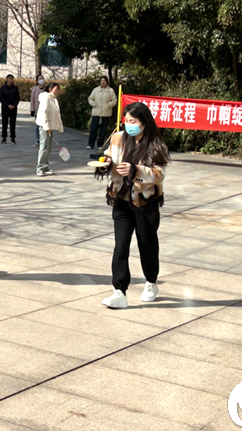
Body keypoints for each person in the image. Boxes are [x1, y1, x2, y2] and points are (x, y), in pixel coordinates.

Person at [101, 102, 169, 309]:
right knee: (120, 246)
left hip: (144, 202)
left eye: (133, 121)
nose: (129, 125)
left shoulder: (157, 145)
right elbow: (109, 156)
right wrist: (105, 162)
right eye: (126, 121)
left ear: (144, 122)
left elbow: (159, 175)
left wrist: (135, 170)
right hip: (120, 199)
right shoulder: (118, 138)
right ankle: (119, 291)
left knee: (146, 245)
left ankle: (151, 282)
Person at [35, 82, 63, 177]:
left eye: (58, 90)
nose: (57, 91)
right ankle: (40, 168)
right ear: (50, 89)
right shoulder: (46, 99)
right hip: (45, 128)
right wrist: (47, 127)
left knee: (49, 148)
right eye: (56, 89)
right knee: (44, 148)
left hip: (50, 128)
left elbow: (57, 115)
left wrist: (58, 127)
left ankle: (45, 167)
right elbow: (43, 114)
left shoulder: (53, 100)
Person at [87, 76, 117, 150]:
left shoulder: (110, 90)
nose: (102, 83)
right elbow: (90, 98)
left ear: (107, 82)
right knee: (93, 129)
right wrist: (93, 104)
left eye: (104, 81)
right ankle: (90, 144)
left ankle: (100, 144)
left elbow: (114, 100)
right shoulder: (96, 90)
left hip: (106, 113)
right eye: (101, 81)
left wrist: (109, 105)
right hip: (96, 113)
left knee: (103, 131)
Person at [0, 74, 20, 144]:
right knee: (4, 123)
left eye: (12, 79)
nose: (10, 80)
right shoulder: (3, 88)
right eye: (9, 79)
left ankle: (13, 137)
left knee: (13, 123)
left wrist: (14, 105)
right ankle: (4, 137)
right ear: (6, 79)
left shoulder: (15, 88)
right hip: (5, 108)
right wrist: (7, 105)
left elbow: (17, 98)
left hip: (13, 109)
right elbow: (1, 98)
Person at [30, 74, 46, 147]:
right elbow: (32, 100)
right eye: (39, 79)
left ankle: (44, 140)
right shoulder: (34, 89)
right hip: (37, 110)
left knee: (45, 126)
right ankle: (37, 140)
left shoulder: (47, 89)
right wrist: (32, 110)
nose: (41, 80)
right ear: (37, 81)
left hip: (45, 110)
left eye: (42, 78)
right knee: (37, 126)